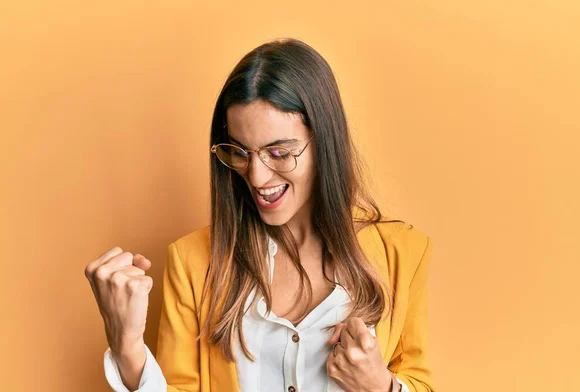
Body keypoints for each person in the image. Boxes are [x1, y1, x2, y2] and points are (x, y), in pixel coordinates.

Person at [84, 37, 434, 392]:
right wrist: (126, 348)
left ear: (325, 141)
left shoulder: (402, 253)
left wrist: (380, 386)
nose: (256, 177)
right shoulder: (192, 263)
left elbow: (418, 379)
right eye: (239, 152)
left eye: (279, 152)